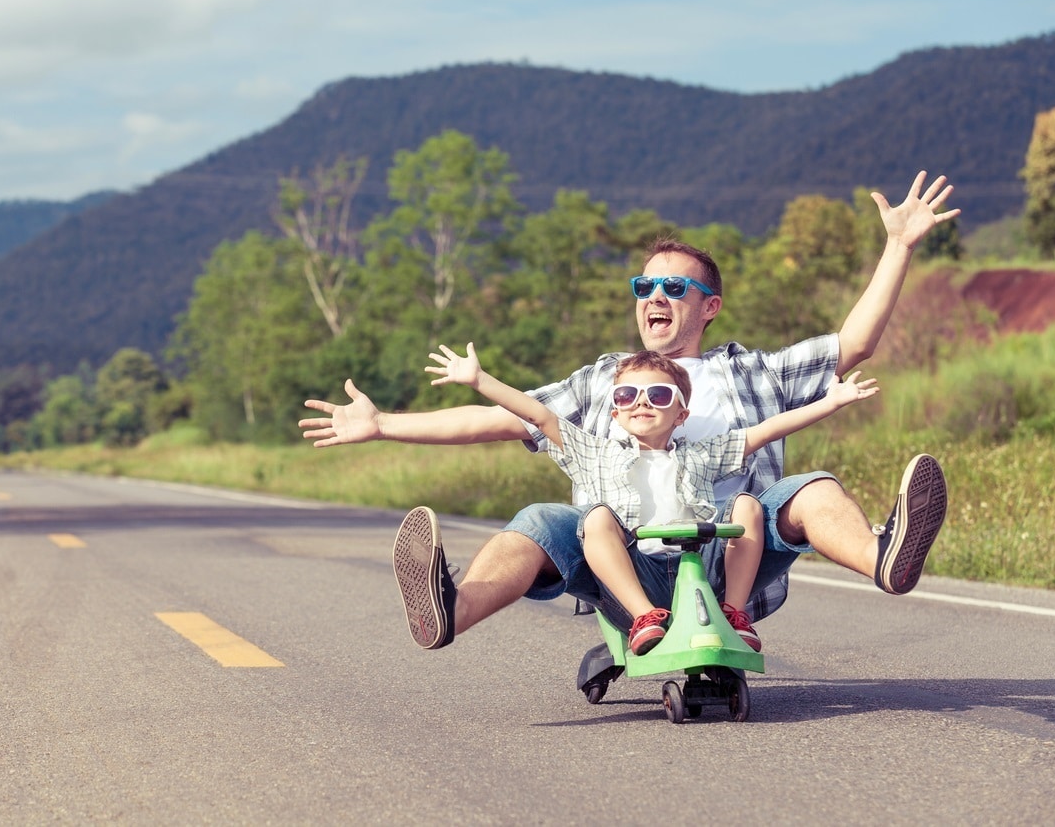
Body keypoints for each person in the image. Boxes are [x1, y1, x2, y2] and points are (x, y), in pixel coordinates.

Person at [301, 171, 955, 652]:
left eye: (675, 286)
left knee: (811, 489)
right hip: (627, 560)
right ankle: (449, 607)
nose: (655, 295)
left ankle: (884, 558)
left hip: (736, 558)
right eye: (645, 286)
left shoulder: (754, 371)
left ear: (710, 306)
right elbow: (507, 419)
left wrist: (898, 245)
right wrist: (383, 424)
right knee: (540, 520)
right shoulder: (606, 381)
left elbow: (855, 343)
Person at [424, 342, 879, 654]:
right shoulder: (594, 452)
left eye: (659, 395)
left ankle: (735, 615)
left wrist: (830, 403)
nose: (642, 402)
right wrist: (480, 379)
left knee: (746, 504)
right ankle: (645, 620)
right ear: (616, 410)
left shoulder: (701, 455)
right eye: (628, 394)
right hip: (634, 579)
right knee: (598, 517)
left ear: (682, 413)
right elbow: (539, 416)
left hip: (701, 571)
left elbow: (765, 432)